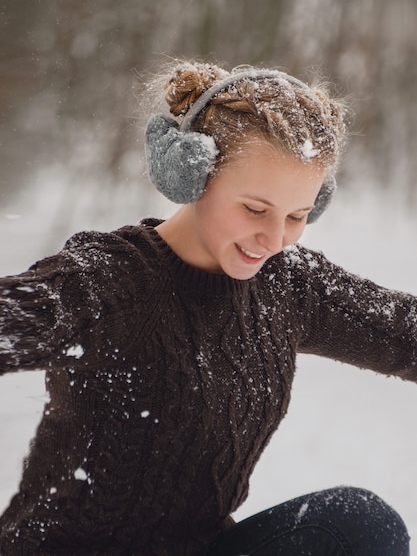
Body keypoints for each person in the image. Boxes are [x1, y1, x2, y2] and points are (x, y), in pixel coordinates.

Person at [0, 60, 414, 556]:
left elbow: (402, 330)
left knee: (359, 525)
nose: (275, 238)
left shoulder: (287, 283)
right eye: (255, 209)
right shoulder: (107, 281)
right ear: (191, 173)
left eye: (299, 215)